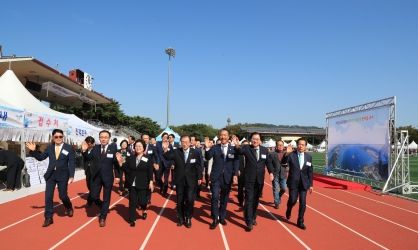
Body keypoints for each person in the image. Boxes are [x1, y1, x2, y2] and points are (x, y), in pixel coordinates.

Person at [25, 129, 75, 227]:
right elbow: (41, 157)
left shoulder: (68, 148)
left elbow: (72, 162)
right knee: (48, 197)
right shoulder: (49, 148)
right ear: (53, 138)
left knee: (63, 196)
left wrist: (71, 175)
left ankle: (69, 207)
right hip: (51, 175)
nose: (58, 138)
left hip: (63, 175)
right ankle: (48, 217)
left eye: (60, 136)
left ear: (63, 137)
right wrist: (33, 150)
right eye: (56, 137)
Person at [232, 133, 274, 231]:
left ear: (260, 140)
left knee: (255, 200)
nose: (255, 141)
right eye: (253, 139)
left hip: (259, 179)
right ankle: (249, 221)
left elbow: (268, 162)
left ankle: (254, 216)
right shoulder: (247, 148)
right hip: (249, 179)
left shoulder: (264, 150)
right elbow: (239, 151)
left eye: (257, 139)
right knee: (249, 200)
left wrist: (271, 172)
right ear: (251, 140)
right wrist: (237, 145)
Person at [81, 130, 122, 227]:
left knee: (106, 197)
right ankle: (104, 206)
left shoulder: (113, 149)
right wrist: (84, 151)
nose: (103, 139)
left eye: (105, 137)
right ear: (99, 138)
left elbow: (116, 164)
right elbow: (88, 157)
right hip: (96, 176)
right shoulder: (95, 148)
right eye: (102, 137)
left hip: (108, 176)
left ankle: (103, 217)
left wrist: (117, 176)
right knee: (94, 196)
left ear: (109, 138)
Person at [163, 135, 202, 228]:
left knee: (190, 199)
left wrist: (199, 177)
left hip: (191, 180)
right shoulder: (177, 152)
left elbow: (198, 166)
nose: (184, 144)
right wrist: (165, 149)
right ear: (180, 142)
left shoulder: (195, 152)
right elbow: (168, 157)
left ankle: (188, 217)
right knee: (180, 200)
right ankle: (180, 218)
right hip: (180, 180)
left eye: (186, 142)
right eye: (183, 142)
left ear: (190, 142)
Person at [204, 128, 239, 229]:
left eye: (225, 135)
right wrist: (206, 148)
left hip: (227, 176)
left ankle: (222, 216)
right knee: (215, 197)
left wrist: (235, 174)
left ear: (228, 137)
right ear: (219, 136)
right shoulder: (215, 148)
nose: (223, 137)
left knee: (224, 198)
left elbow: (236, 162)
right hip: (216, 176)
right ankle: (215, 217)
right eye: (221, 135)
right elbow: (208, 157)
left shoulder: (233, 149)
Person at [120, 139, 154, 227]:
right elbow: (125, 168)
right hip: (132, 183)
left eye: (140, 146)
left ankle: (144, 209)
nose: (138, 148)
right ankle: (132, 219)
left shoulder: (148, 158)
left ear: (143, 148)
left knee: (142, 201)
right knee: (132, 201)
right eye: (136, 146)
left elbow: (150, 171)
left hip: (143, 183)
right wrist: (120, 162)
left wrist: (150, 181)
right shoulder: (131, 157)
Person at [283, 138, 313, 230]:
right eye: (299, 144)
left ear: (305, 147)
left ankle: (300, 220)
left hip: (304, 183)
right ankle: (289, 209)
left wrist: (311, 184)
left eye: (302, 145)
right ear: (297, 145)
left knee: (303, 202)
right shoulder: (291, 155)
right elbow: (283, 163)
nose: (300, 146)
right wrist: (286, 154)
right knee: (292, 200)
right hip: (293, 181)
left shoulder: (308, 157)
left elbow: (310, 172)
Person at [141, 133, 160, 204]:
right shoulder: (138, 147)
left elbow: (156, 156)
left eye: (146, 138)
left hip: (149, 168)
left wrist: (157, 163)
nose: (145, 140)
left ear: (149, 139)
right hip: (139, 168)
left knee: (149, 182)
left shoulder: (152, 147)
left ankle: (148, 198)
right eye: (144, 138)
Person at [269, 140, 287, 209]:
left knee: (284, 188)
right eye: (278, 145)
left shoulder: (286, 154)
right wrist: (271, 172)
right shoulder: (272, 154)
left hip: (283, 173)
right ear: (276, 146)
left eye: (281, 145)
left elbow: (289, 163)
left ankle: (279, 196)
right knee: (275, 188)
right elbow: (270, 164)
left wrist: (287, 165)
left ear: (283, 146)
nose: (280, 146)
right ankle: (276, 202)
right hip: (275, 173)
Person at [156, 132, 173, 197]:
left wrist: (172, 163)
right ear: (162, 137)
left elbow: (172, 155)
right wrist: (156, 162)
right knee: (158, 177)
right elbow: (156, 154)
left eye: (166, 137)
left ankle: (165, 191)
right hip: (160, 163)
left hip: (167, 163)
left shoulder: (170, 145)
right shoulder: (158, 144)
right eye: (164, 137)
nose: (165, 138)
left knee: (166, 178)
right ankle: (162, 185)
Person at [83, 136, 95, 206]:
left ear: (93, 143)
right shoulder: (85, 150)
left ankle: (89, 201)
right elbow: (85, 159)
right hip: (88, 169)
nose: (89, 145)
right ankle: (93, 195)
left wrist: (84, 151)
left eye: (90, 144)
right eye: (87, 144)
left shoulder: (96, 149)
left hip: (94, 170)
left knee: (92, 185)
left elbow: (89, 157)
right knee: (88, 184)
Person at [237, 140, 249, 207]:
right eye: (244, 145)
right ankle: (240, 200)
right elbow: (236, 162)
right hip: (241, 172)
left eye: (247, 145)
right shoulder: (239, 153)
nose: (245, 146)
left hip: (248, 173)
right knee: (240, 187)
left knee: (248, 188)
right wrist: (237, 169)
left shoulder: (250, 152)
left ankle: (247, 201)